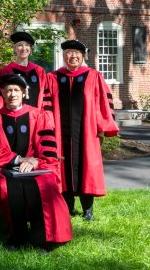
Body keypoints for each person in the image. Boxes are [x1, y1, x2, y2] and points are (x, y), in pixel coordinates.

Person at [0, 74, 72, 248]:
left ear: (23, 93)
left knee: (46, 184)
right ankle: (17, 237)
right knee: (4, 186)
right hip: (5, 167)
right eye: (8, 90)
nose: (12, 94)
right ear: (2, 93)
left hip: (38, 165)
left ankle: (44, 238)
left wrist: (35, 161)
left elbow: (47, 148)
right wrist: (20, 159)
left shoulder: (39, 116)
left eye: (16, 90)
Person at [44, 40, 119, 221]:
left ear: (83, 56)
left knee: (87, 168)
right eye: (69, 52)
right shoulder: (53, 77)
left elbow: (104, 103)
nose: (73, 56)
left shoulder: (93, 76)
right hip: (60, 134)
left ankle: (88, 210)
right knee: (62, 168)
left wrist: (102, 129)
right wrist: (47, 129)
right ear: (63, 55)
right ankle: (67, 208)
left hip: (87, 133)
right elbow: (45, 106)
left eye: (77, 53)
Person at [0, 31, 46, 109]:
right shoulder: (6, 71)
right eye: (20, 45)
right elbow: (2, 96)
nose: (24, 48)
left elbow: (44, 95)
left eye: (27, 45)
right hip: (13, 116)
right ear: (14, 49)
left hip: (36, 116)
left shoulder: (39, 71)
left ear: (30, 49)